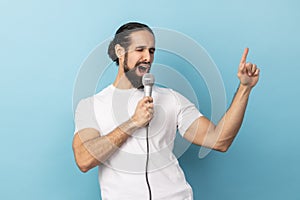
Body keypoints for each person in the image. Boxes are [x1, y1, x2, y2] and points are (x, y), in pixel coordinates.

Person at [72, 22, 260, 200]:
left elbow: (219, 140)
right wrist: (133, 123)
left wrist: (245, 88)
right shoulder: (91, 105)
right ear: (120, 52)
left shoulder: (171, 99)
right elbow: (84, 160)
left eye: (151, 51)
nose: (148, 57)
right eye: (140, 49)